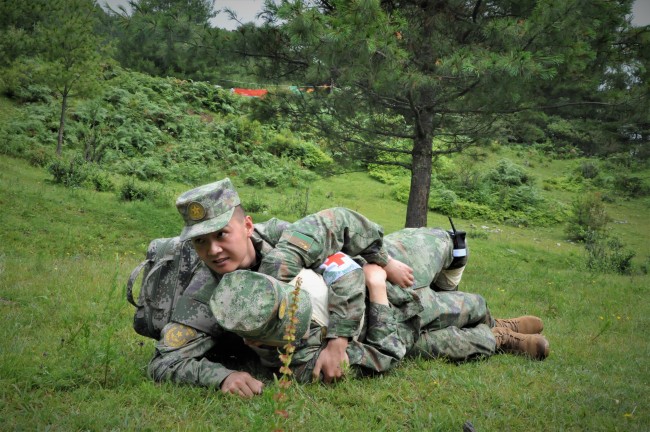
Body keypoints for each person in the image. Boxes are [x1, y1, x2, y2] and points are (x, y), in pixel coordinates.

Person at [146, 178, 414, 397]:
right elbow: (164, 361)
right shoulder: (205, 294)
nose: (213, 250)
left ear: (247, 226)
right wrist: (223, 377)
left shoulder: (282, 240)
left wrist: (339, 341)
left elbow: (341, 259)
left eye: (221, 234)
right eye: (200, 241)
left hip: (372, 289)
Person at [210, 227, 549, 384]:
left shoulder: (282, 271)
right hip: (394, 331)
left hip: (398, 296)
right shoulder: (297, 363)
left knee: (471, 305)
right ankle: (502, 339)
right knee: (452, 343)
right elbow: (383, 355)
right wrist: (377, 290)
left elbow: (339, 262)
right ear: (253, 342)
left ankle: (500, 321)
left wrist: (377, 271)